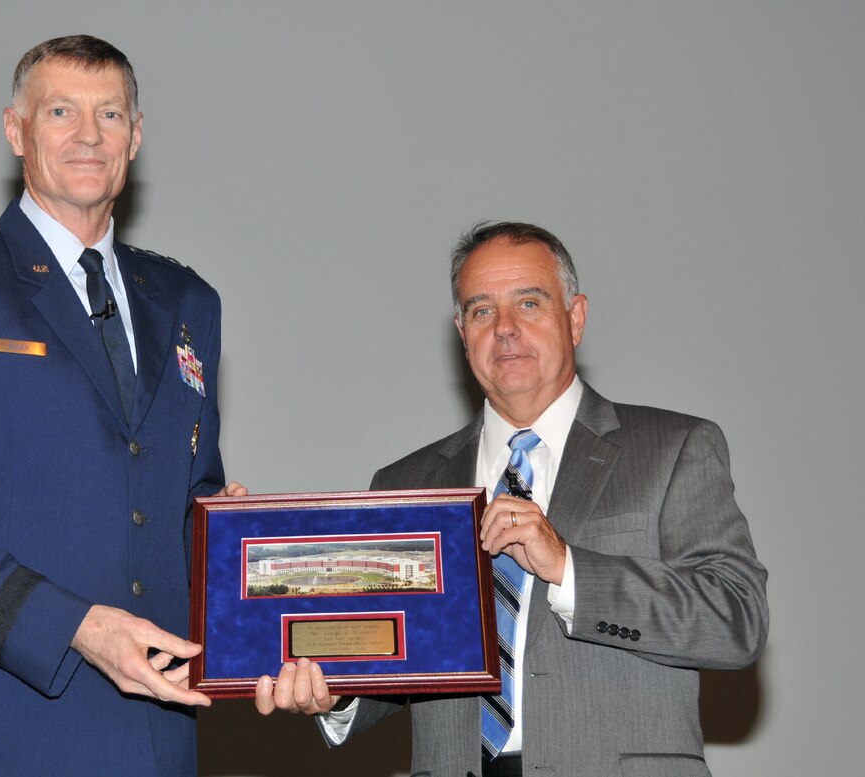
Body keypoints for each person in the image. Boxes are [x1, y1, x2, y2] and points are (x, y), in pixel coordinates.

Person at [0, 35, 244, 777]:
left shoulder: (189, 302)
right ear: (16, 129)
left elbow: (186, 499)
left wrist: (247, 563)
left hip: (150, 732)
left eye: (111, 114)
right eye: (62, 111)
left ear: (137, 135)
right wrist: (74, 627)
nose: (89, 135)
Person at [255, 222, 768, 777]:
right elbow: (399, 655)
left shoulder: (674, 449)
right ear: (460, 330)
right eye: (481, 311)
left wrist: (568, 568)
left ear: (575, 317)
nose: (504, 329)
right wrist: (338, 693)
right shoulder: (410, 483)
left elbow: (736, 621)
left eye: (528, 303)